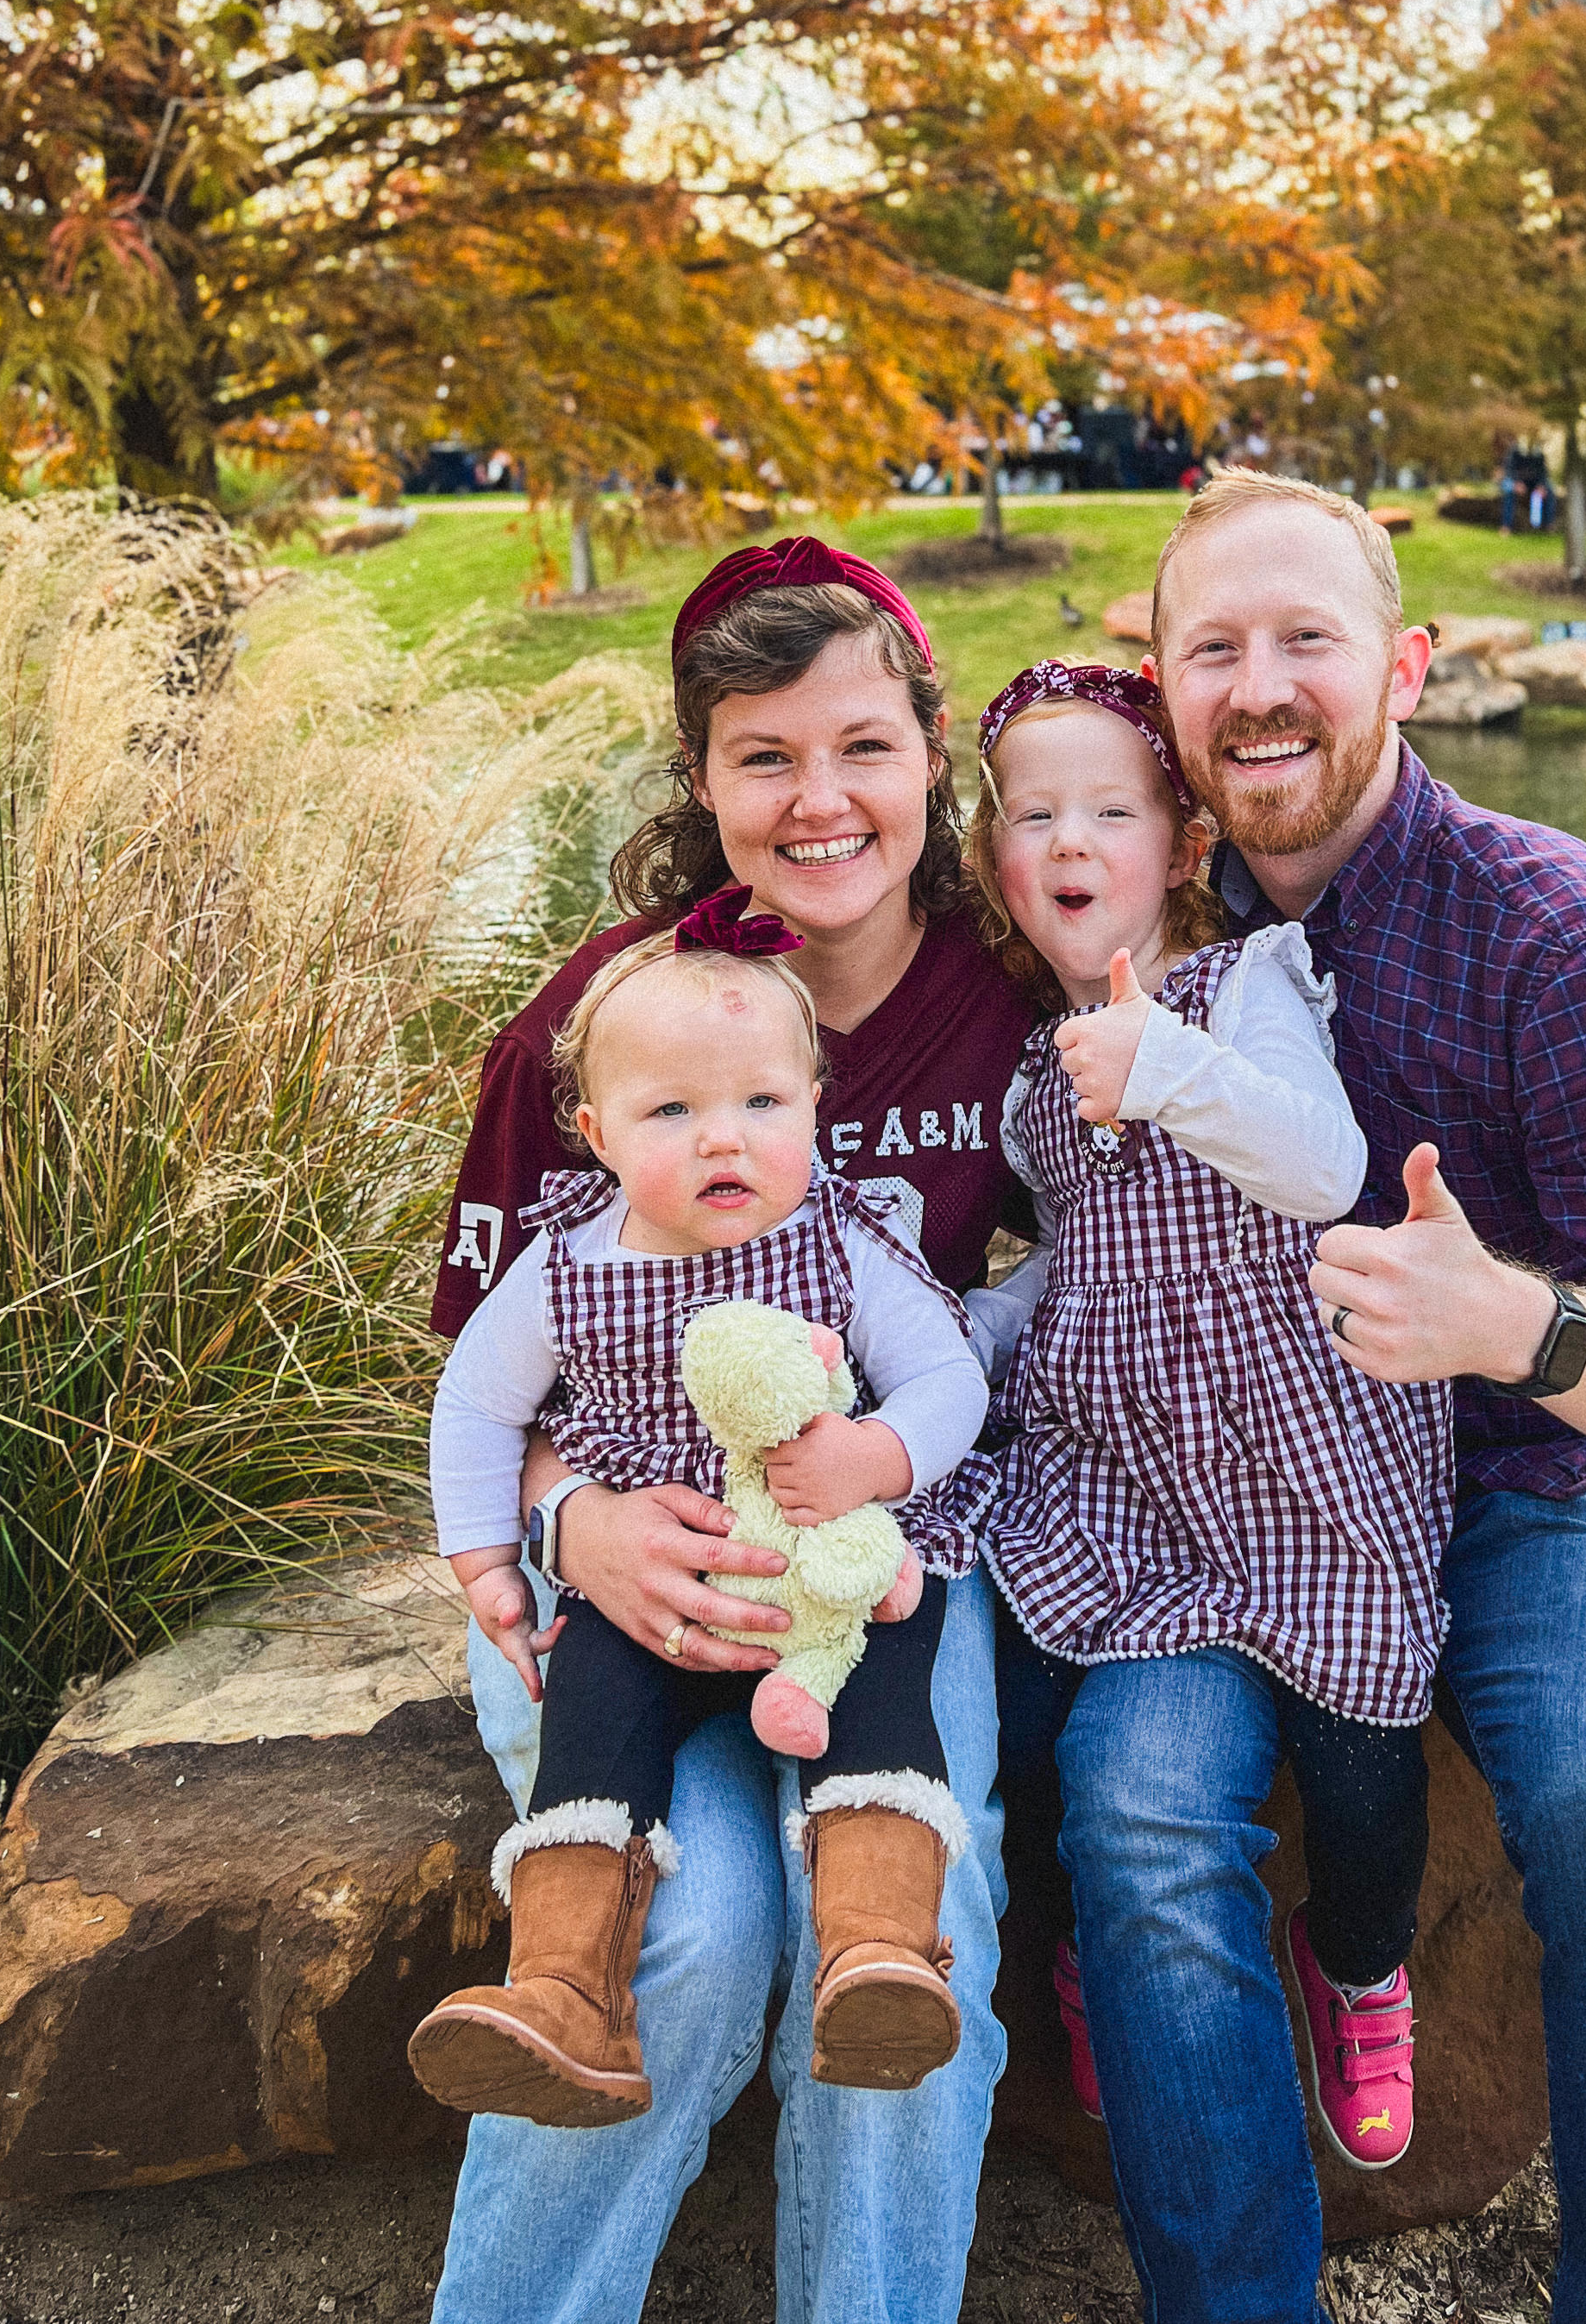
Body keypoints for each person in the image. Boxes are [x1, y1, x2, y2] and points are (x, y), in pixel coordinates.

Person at [1051, 468, 1586, 2324]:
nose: (1263, 685)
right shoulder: (1121, 920)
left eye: (1309, 638)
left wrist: (1506, 1324)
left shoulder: (1553, 921)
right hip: (1239, 1514)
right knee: (1137, 1814)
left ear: (1409, 666)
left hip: (1528, 1483)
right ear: (1161, 680)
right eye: (1214, 647)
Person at [426, 537, 1037, 2324]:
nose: (821, 800)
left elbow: (1086, 1278)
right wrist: (569, 1532)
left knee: (922, 1927)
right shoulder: (605, 1023)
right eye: (764, 757)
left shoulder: (1005, 1004)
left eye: (864, 746)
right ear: (700, 782)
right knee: (682, 1938)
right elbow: (482, 1371)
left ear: (935, 753)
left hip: (871, 1555)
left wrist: (919, 1434)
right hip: (616, 1566)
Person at [961, 662, 1455, 2179]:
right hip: (1132, 1483)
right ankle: (1099, 1955)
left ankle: (1360, 1963)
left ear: (1180, 845)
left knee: (1368, 1754)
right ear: (993, 861)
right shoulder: (1029, 1079)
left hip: (1311, 1462)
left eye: (1110, 809)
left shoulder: (1248, 984)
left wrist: (1169, 1066)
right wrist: (949, 1351)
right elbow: (1076, 1262)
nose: (1070, 842)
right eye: (1033, 815)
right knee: (1031, 1709)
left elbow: (1321, 1163)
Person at [415, 901, 994, 2126]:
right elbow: (474, 1404)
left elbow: (951, 1375)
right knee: (593, 1712)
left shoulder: (840, 1241)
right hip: (656, 1591)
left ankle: (879, 1952)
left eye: (762, 1106)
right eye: (671, 1112)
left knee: (890, 1677)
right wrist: (487, 1561)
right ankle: (564, 1990)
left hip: (827, 1573)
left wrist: (877, 1454)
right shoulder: (570, 1268)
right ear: (596, 1133)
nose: (723, 1141)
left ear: (813, 1103)